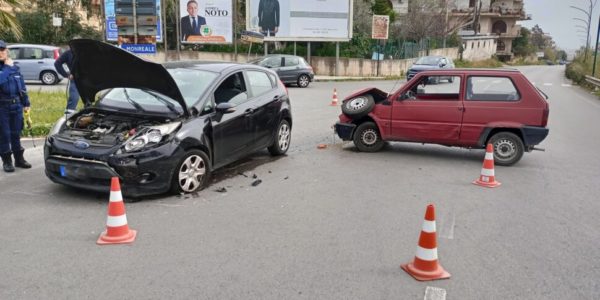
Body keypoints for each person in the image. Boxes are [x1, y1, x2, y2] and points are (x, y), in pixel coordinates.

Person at [0, 40, 31, 172]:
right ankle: (7, 161)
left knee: (16, 133)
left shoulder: (14, 67)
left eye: (2, 50)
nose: (0, 53)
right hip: (2, 107)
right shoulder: (7, 68)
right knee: (4, 135)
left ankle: (19, 159)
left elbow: (21, 86)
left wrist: (26, 103)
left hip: (17, 105)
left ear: (6, 51)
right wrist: (7, 68)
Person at [54, 42, 80, 115]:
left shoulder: (86, 53)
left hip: (87, 80)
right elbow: (57, 63)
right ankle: (68, 116)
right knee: (74, 98)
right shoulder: (68, 53)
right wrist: (66, 75)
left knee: (88, 100)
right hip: (75, 80)